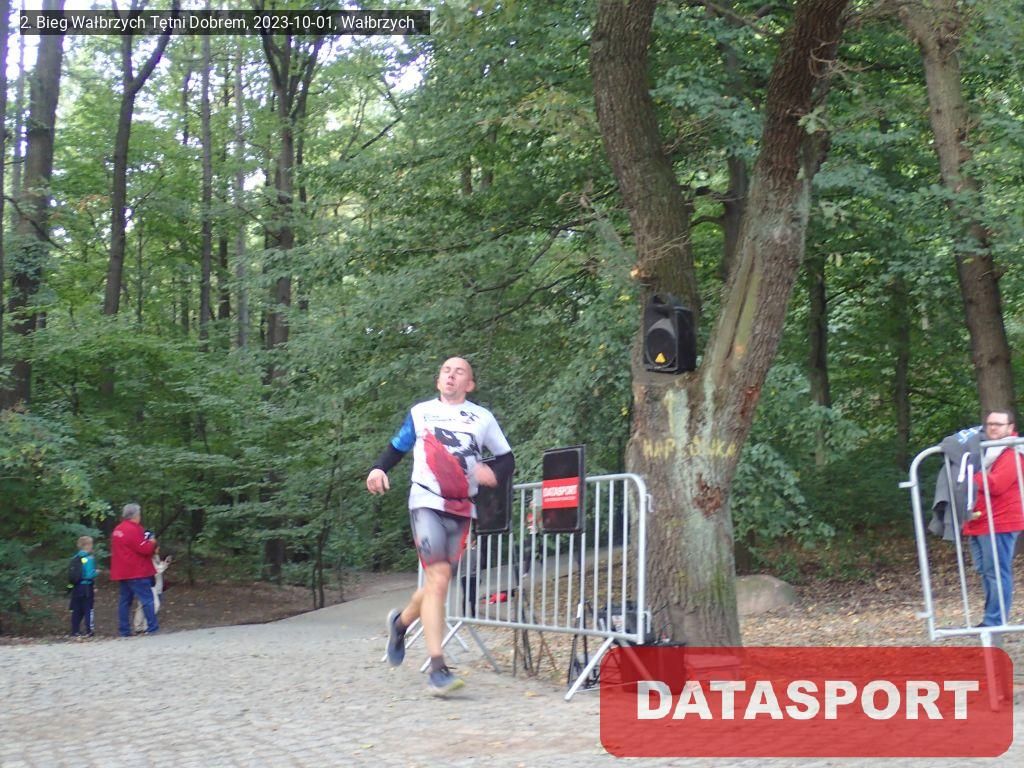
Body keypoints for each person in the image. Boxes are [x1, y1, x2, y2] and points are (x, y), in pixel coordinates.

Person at [367, 356, 514, 695]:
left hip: (461, 508)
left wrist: (493, 473)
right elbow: (396, 447)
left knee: (438, 582)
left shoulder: (483, 418)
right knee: (438, 578)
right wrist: (378, 468)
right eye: (446, 371)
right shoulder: (421, 413)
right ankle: (438, 668)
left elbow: (507, 459)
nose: (451, 375)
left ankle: (401, 623)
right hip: (426, 501)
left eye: (459, 372)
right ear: (438, 381)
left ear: (469, 384)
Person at [962, 409, 1024, 628]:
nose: (993, 428)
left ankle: (995, 620)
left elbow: (997, 485)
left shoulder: (1012, 452)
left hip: (1001, 521)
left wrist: (970, 475)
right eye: (990, 424)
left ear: (1010, 427)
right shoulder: (987, 451)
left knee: (997, 572)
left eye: (999, 424)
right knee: (987, 571)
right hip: (981, 521)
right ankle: (992, 618)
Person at [110, 503, 159, 636]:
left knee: (125, 601)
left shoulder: (117, 530)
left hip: (122, 571)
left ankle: (124, 630)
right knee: (147, 599)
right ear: (136, 515)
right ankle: (152, 628)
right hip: (137, 571)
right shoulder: (134, 529)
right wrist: (152, 542)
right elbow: (145, 549)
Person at [132, 549, 172, 634]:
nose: (158, 549)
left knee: (142, 604)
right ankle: (146, 625)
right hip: (149, 584)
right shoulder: (148, 557)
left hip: (155, 585)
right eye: (157, 548)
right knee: (153, 605)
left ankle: (138, 626)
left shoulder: (155, 557)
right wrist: (164, 565)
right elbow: (155, 571)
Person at [68, 535, 97, 637]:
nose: (91, 546)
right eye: (91, 544)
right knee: (88, 609)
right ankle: (89, 630)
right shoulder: (88, 559)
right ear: (87, 545)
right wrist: (96, 572)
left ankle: (75, 631)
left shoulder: (75, 558)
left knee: (76, 609)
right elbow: (89, 575)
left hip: (76, 587)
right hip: (86, 587)